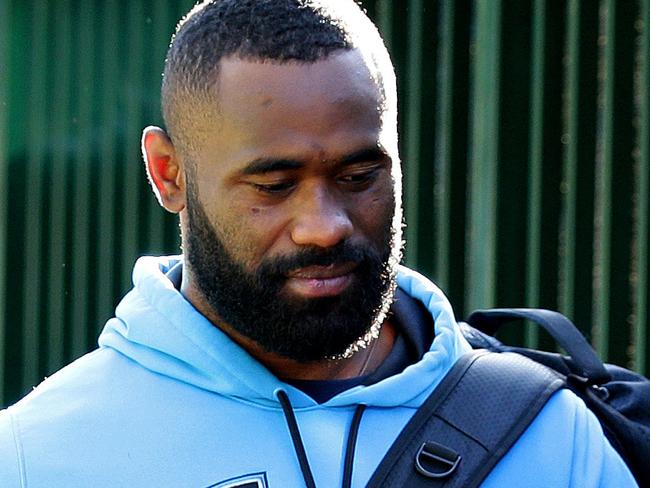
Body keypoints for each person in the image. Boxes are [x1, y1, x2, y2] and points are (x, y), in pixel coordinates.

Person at [0, 1, 638, 486]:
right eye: (274, 185)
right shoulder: (38, 457)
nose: (325, 225)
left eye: (359, 176)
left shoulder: (554, 437)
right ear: (169, 174)